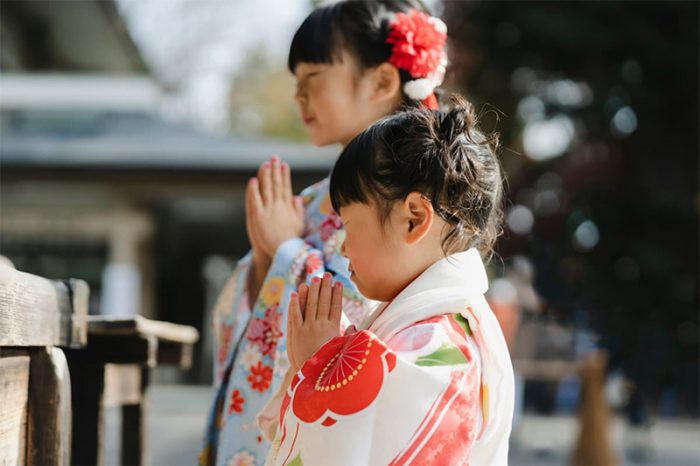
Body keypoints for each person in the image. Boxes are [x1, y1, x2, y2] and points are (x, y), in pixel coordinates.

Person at [200, 2, 448, 464]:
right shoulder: (314, 200)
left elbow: (375, 312)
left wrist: (287, 251)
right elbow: (252, 315)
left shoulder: (420, 197)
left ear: (380, 82)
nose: (298, 97)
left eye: (313, 79)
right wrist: (265, 259)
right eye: (296, 84)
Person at [267, 98, 515, 465]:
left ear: (413, 219)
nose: (343, 247)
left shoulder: (438, 345)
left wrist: (318, 371)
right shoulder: (428, 332)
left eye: (348, 225)